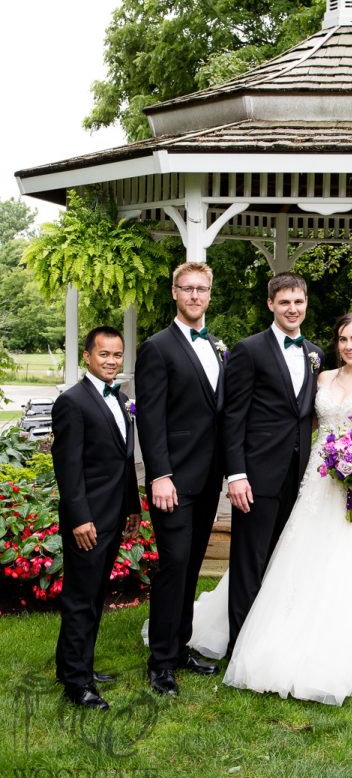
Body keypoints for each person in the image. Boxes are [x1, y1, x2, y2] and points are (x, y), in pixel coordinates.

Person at [224, 312, 352, 704]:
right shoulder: (323, 377)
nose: (349, 346)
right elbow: (304, 421)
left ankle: (350, 642)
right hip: (319, 479)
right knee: (302, 554)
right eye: (343, 339)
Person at [135, 261, 226, 696]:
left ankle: (181, 645)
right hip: (172, 481)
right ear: (174, 293)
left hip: (208, 479)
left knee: (190, 566)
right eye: (187, 288)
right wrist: (160, 475)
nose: (194, 296)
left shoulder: (217, 346)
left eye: (201, 289)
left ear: (209, 294)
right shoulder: (157, 347)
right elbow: (151, 418)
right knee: (172, 566)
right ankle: (160, 663)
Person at [223, 272, 324, 657]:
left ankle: (272, 642)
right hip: (256, 475)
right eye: (284, 302)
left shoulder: (315, 353)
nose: (292, 309)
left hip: (299, 476)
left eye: (298, 301)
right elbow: (233, 417)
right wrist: (236, 474)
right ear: (270, 304)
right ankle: (240, 648)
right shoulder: (249, 350)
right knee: (249, 562)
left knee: (282, 562)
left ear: (306, 303)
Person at [52, 327, 140, 710]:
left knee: (95, 594)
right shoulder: (72, 402)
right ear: (87, 356)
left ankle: (76, 665)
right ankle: (77, 682)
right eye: (104, 354)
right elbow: (68, 467)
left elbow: (124, 459)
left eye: (117, 354)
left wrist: (132, 505)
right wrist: (79, 519)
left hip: (113, 514)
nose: (111, 361)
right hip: (87, 521)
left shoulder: (120, 399)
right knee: (80, 598)